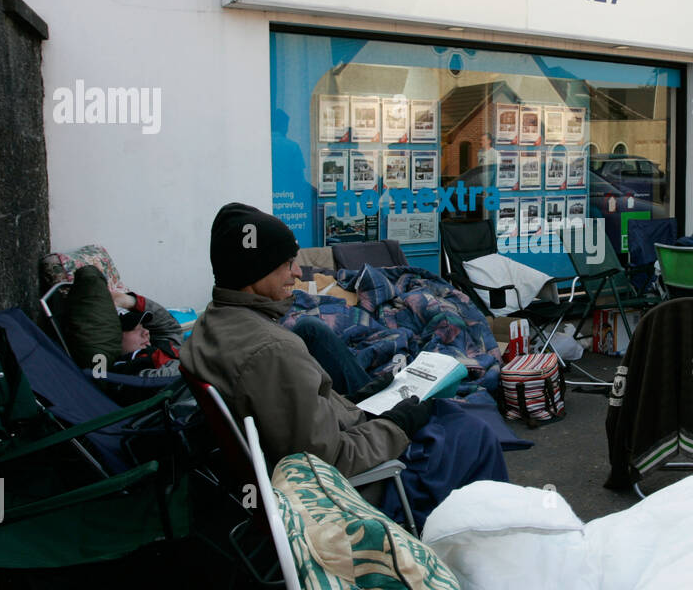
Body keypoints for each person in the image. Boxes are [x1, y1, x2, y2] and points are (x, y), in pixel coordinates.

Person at [180, 203, 510, 525]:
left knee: (445, 419)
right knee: (473, 434)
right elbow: (330, 461)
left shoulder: (211, 324)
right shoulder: (273, 350)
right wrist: (398, 425)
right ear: (254, 271)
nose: (297, 272)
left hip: (270, 477)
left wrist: (359, 401)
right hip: (348, 498)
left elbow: (298, 419)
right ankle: (474, 549)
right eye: (287, 263)